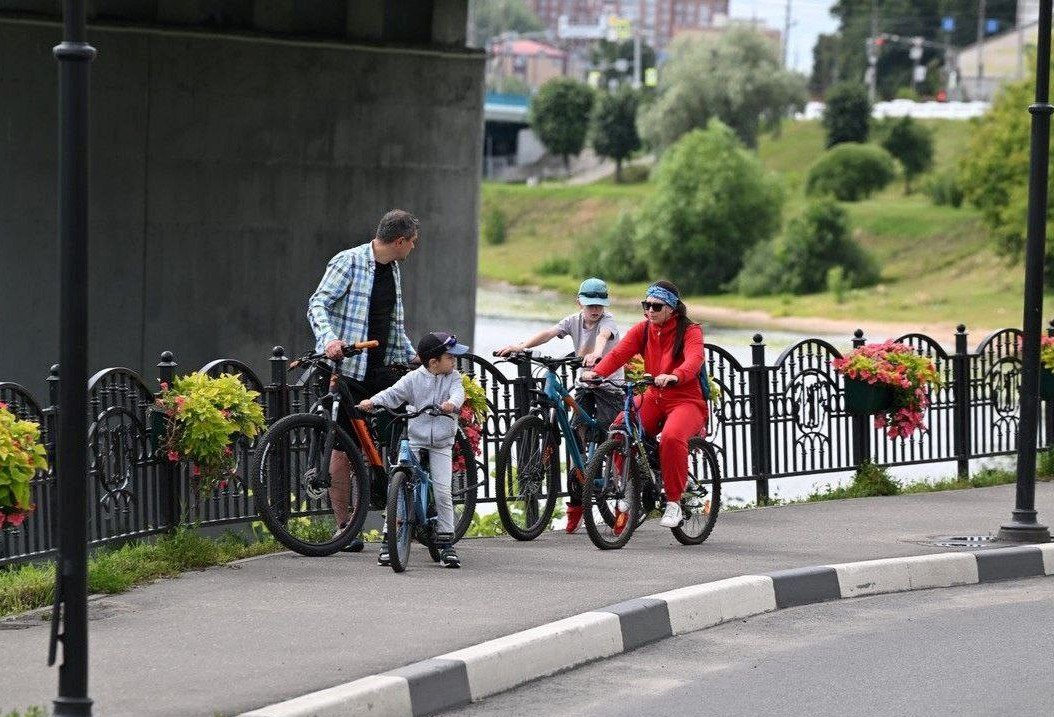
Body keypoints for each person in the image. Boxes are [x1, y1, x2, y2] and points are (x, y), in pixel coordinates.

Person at [307, 209, 419, 552]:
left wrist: (414, 357)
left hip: (380, 369)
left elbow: (393, 324)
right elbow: (317, 304)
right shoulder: (349, 261)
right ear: (399, 241)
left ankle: (403, 519)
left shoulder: (393, 270)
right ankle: (346, 527)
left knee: (400, 434)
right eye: (412, 242)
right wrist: (329, 340)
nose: (413, 248)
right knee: (342, 448)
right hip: (346, 368)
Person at [495, 277, 624, 534]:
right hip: (586, 385)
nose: (595, 309)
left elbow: (602, 338)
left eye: (599, 304)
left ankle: (621, 494)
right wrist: (520, 346)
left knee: (610, 435)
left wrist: (596, 355)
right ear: (579, 303)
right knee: (577, 435)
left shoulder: (607, 322)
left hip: (609, 387)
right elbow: (549, 334)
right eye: (589, 305)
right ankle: (578, 499)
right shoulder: (573, 321)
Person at [581, 280, 708, 529]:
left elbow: (695, 359)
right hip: (653, 396)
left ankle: (674, 502)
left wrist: (675, 375)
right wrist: (597, 373)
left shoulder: (690, 331)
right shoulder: (643, 329)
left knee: (672, 437)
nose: (650, 310)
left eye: (656, 306)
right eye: (646, 305)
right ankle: (630, 487)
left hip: (686, 400)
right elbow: (619, 354)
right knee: (619, 428)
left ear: (672, 309)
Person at [358, 331, 468, 568]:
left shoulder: (454, 377)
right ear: (433, 362)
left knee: (442, 491)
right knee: (396, 488)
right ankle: (389, 540)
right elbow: (393, 394)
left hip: (441, 442)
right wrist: (373, 401)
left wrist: (452, 404)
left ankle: (446, 542)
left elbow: (459, 394)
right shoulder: (413, 379)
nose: (455, 361)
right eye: (451, 357)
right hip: (416, 438)